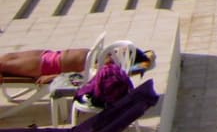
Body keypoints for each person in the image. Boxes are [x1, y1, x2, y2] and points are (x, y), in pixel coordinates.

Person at [0, 46, 155, 85]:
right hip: (47, 55)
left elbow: (82, 76)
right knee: (5, 59)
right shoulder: (106, 54)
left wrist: (53, 77)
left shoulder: (107, 63)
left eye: (123, 50)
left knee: (3, 64)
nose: (118, 48)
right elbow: (150, 55)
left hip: (45, 65)